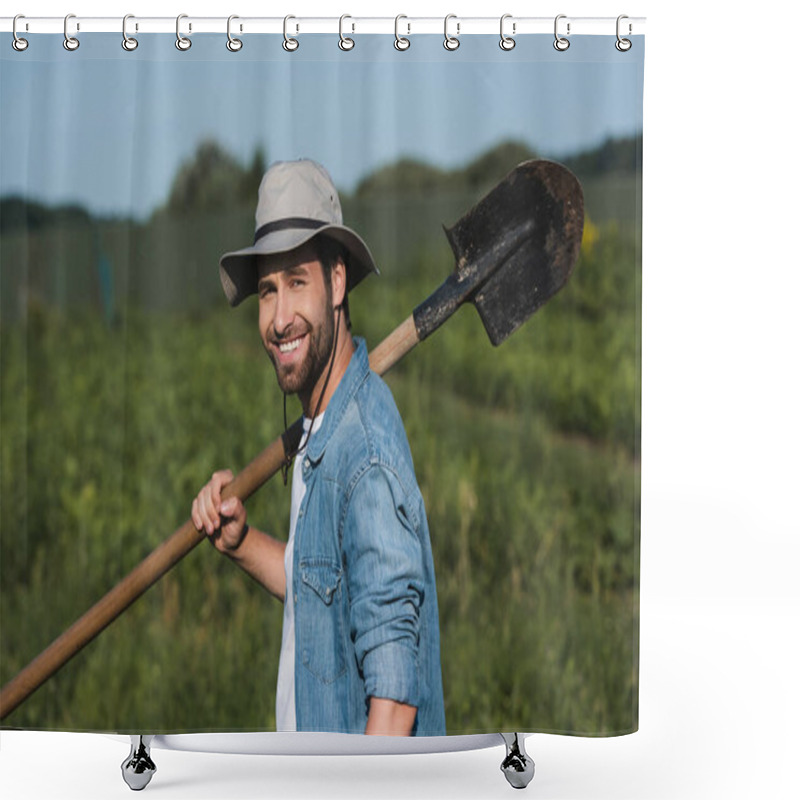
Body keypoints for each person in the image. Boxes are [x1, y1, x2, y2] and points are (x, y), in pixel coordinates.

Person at [190, 159, 446, 736]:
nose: (280, 319)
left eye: (297, 282)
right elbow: (325, 588)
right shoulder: (324, 431)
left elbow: (395, 700)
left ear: (336, 282)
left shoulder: (365, 458)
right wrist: (239, 542)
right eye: (267, 290)